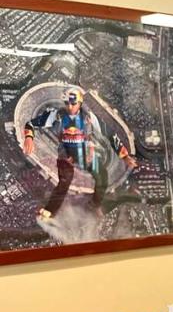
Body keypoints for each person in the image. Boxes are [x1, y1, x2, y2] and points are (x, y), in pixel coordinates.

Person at [22, 87, 136, 218]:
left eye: (73, 103)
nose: (70, 107)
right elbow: (30, 124)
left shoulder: (89, 117)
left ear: (80, 103)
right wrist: (29, 138)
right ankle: (50, 211)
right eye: (67, 103)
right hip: (65, 154)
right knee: (64, 182)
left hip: (84, 153)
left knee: (102, 176)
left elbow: (109, 134)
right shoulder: (56, 115)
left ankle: (94, 205)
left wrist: (124, 155)